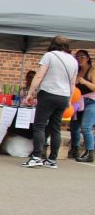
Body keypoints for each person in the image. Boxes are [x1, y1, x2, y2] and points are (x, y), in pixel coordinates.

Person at [22, 36, 78, 168]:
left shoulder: (49, 56)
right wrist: (69, 100)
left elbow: (40, 75)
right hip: (64, 96)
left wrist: (30, 93)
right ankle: (52, 160)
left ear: (53, 44)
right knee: (56, 128)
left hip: (48, 94)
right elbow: (72, 83)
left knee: (39, 126)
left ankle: (36, 156)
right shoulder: (73, 61)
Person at [70, 50, 95, 162]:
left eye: (82, 57)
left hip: (91, 101)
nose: (79, 59)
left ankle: (89, 152)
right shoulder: (77, 71)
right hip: (78, 102)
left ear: (88, 58)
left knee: (86, 127)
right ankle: (75, 149)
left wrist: (85, 82)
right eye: (77, 57)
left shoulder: (92, 70)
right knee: (74, 126)